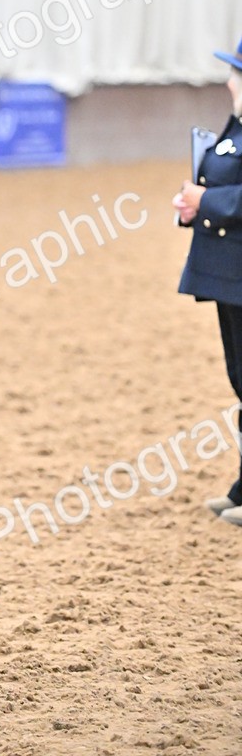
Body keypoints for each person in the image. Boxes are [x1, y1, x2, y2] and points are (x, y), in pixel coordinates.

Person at [173, 35, 242, 527]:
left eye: (235, 71)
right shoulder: (235, 125)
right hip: (226, 272)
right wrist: (191, 204)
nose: (228, 79)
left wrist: (207, 202)